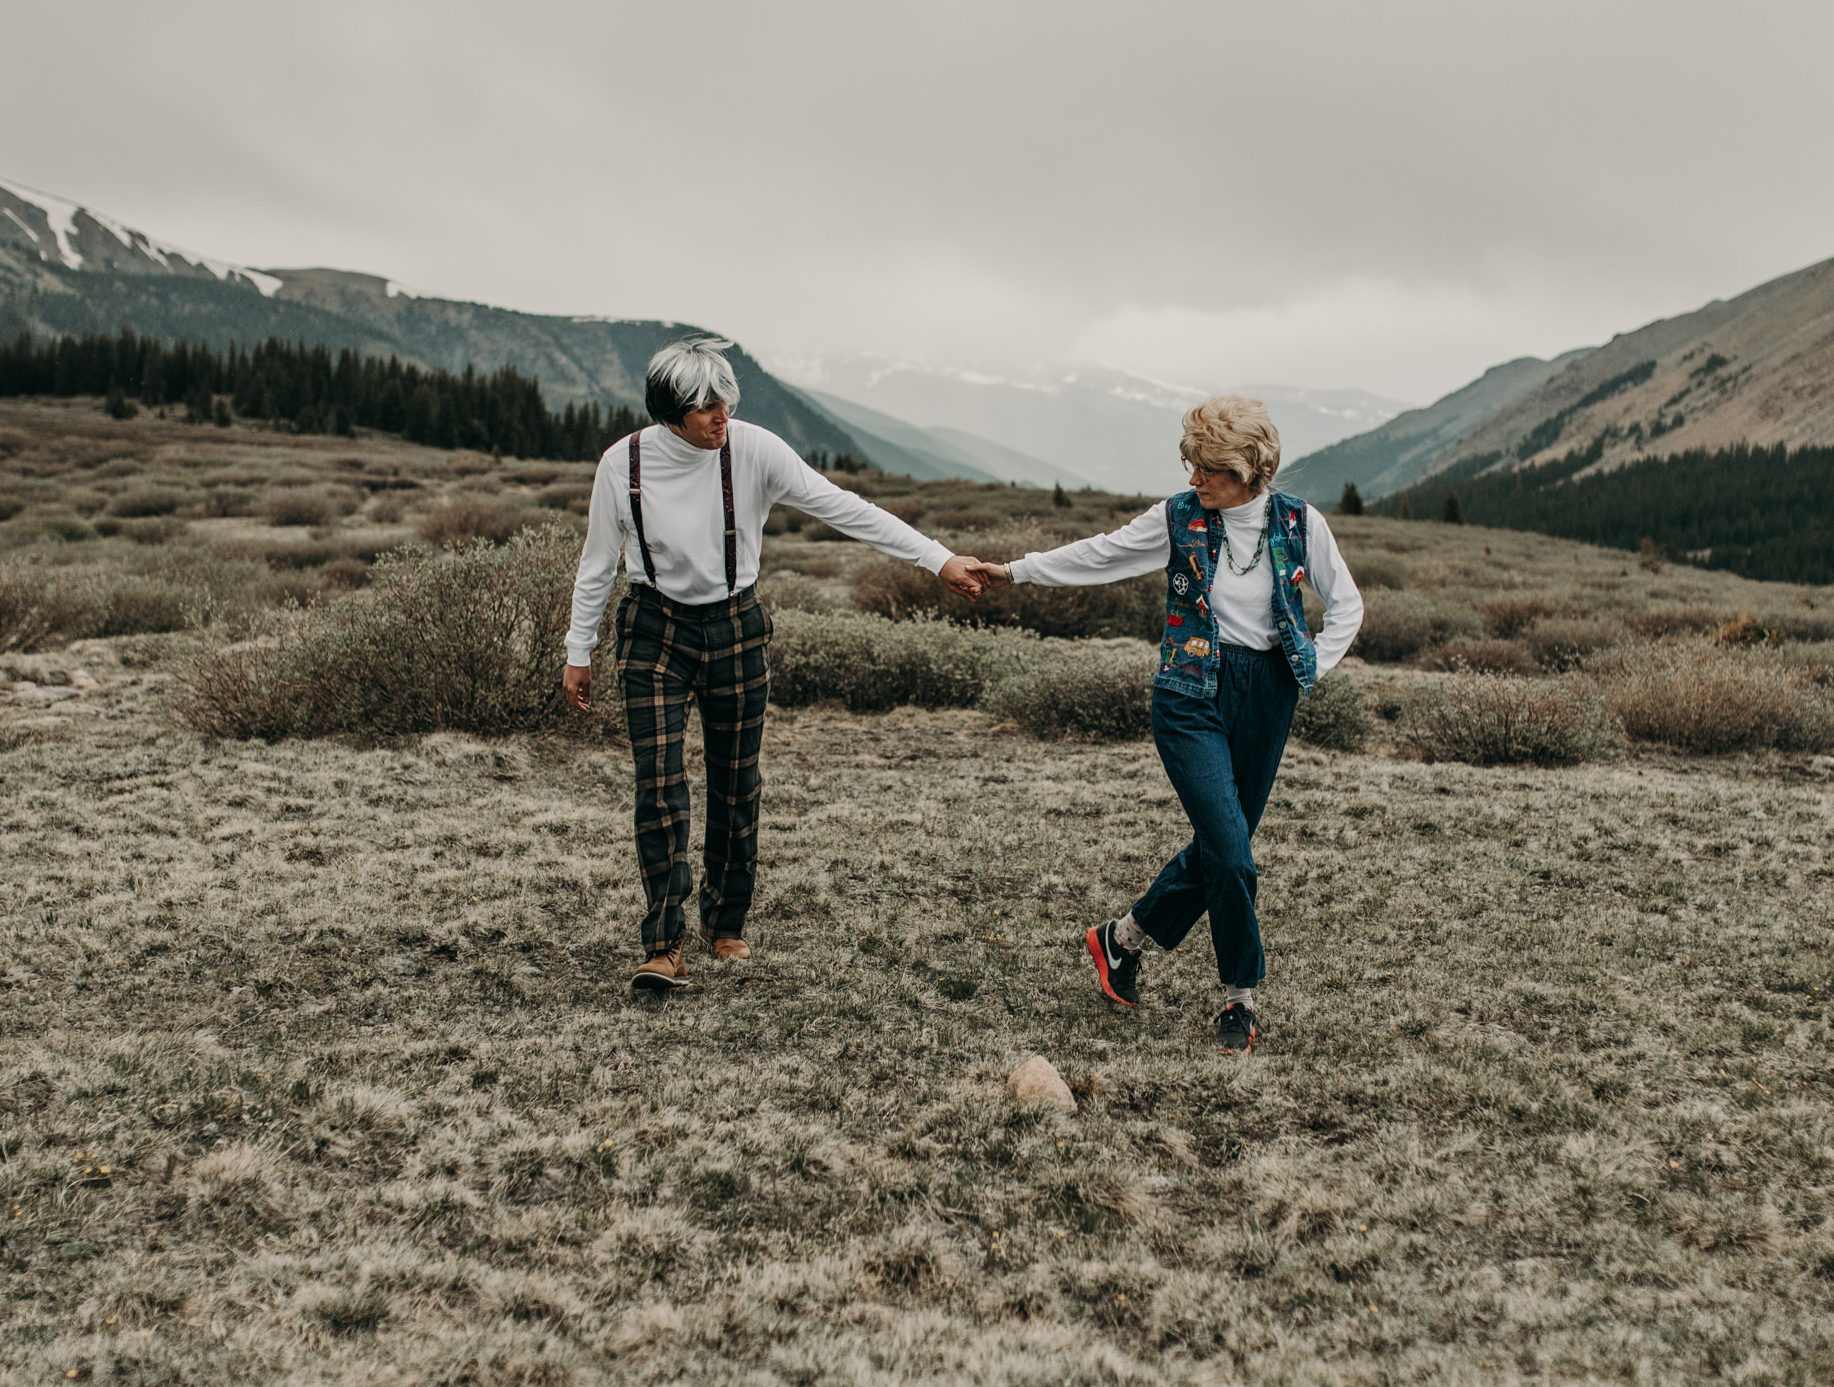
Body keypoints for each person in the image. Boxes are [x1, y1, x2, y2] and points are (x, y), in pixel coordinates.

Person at [563, 337, 989, 992]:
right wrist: (577, 648)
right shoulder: (624, 464)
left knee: (737, 783)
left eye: (725, 402)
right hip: (653, 630)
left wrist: (938, 558)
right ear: (670, 411)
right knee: (659, 785)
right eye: (706, 407)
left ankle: (725, 921)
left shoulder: (754, 450)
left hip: (735, 625)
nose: (721, 417)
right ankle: (663, 944)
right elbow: (596, 563)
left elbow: (844, 507)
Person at [976, 395, 1363, 1052]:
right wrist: (1016, 572)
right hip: (1188, 696)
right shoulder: (1178, 518)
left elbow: (1347, 605)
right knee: (1234, 853)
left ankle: (1121, 939)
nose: (1193, 480)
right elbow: (1101, 555)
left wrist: (1309, 668)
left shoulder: (1299, 520)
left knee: (1224, 844)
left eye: (1206, 468)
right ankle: (1240, 997)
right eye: (1191, 465)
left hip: (1268, 694)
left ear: (1245, 468)